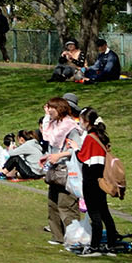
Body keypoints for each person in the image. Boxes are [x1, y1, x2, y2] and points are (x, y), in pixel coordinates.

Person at [39, 94, 84, 247]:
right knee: (53, 204)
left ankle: (75, 239)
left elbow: (77, 150)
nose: (49, 111)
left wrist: (59, 155)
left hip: (68, 171)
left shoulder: (71, 127)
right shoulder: (53, 126)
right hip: (54, 170)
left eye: (52, 108)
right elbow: (51, 143)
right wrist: (48, 157)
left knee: (67, 205)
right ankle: (57, 236)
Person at [75, 112, 121, 255]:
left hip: (91, 181)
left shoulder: (90, 138)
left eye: (81, 120)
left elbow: (82, 158)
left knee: (95, 215)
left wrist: (76, 148)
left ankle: (94, 246)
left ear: (87, 121)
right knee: (105, 213)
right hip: (102, 180)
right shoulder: (102, 137)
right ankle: (111, 245)